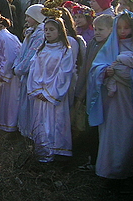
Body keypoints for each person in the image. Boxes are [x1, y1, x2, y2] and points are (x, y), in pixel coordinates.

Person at [87, 11, 133, 185]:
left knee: (127, 134)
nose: (123, 32)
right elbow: (95, 68)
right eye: (119, 27)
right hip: (112, 101)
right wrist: (105, 72)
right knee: (111, 135)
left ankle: (125, 171)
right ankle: (109, 171)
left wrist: (122, 73)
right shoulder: (111, 46)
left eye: (127, 28)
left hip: (128, 99)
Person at [27, 17, 76, 162]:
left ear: (60, 32)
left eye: (52, 30)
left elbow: (64, 73)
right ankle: (42, 153)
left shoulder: (65, 51)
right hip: (39, 93)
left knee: (55, 123)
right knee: (40, 123)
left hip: (54, 96)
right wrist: (37, 90)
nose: (48, 32)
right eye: (46, 29)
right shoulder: (41, 49)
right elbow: (33, 69)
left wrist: (50, 93)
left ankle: (57, 154)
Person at [72, 14, 113, 171]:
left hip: (105, 92)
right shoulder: (93, 43)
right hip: (90, 89)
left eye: (101, 30)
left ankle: (102, 160)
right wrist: (80, 92)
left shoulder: (111, 46)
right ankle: (92, 158)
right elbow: (85, 70)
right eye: (95, 29)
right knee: (91, 127)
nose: (96, 32)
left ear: (111, 30)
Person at [12, 4, 45, 138]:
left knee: (30, 107)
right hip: (25, 74)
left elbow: (31, 54)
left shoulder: (40, 34)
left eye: (28, 16)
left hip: (31, 74)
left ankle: (30, 134)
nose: (26, 19)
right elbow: (22, 53)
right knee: (24, 106)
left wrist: (19, 69)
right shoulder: (32, 31)